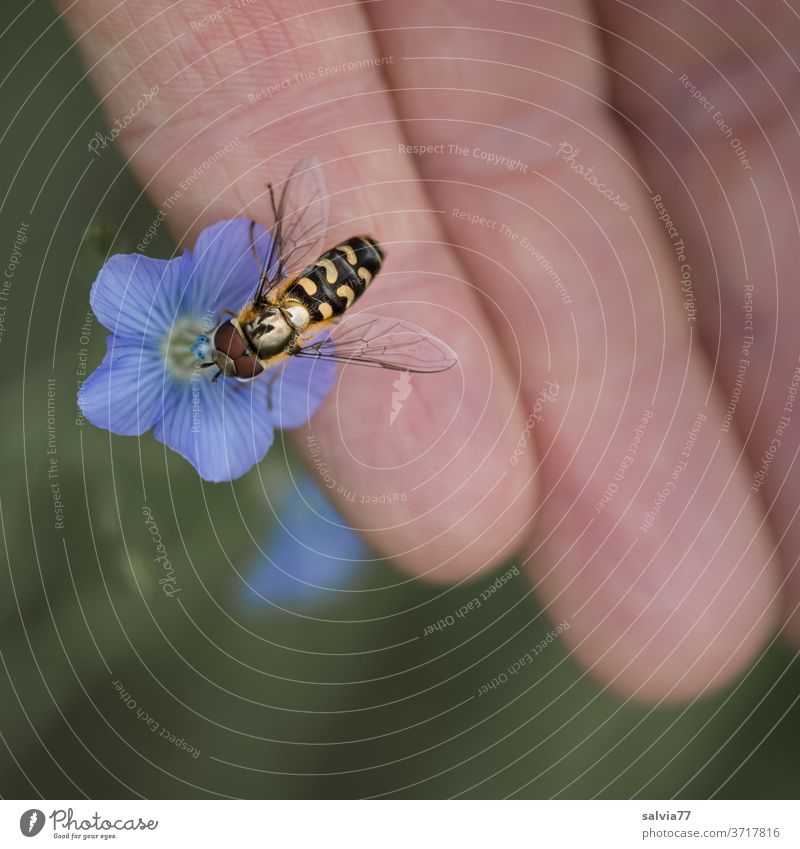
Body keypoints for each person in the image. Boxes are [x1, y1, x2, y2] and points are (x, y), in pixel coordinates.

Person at [59, 0, 800, 701]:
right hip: (333, 277)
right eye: (231, 352)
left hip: (340, 270)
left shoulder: (257, 333)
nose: (214, 350)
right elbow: (273, 260)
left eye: (225, 344)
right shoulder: (260, 333)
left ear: (238, 321)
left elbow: (265, 261)